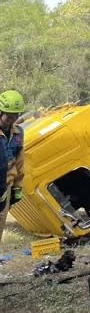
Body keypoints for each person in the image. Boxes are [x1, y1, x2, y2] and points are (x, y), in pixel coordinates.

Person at [0, 90, 26, 242]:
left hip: (6, 187)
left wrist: (17, 187)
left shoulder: (18, 133)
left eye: (15, 116)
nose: (11, 120)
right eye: (8, 116)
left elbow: (19, 161)